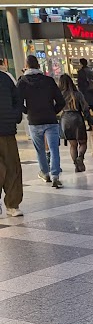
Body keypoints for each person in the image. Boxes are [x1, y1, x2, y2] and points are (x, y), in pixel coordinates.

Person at [16, 54, 65, 188]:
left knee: (40, 150)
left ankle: (45, 173)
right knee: (54, 149)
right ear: (38, 65)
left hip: (34, 120)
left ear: (26, 66)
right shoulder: (49, 81)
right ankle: (55, 175)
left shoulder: (22, 82)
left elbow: (18, 102)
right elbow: (61, 101)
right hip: (50, 119)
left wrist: (27, 111)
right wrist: (53, 111)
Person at [0, 55, 24, 217]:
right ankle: (12, 204)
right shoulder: (7, 78)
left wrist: (14, 116)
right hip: (7, 128)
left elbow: (17, 99)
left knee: (11, 167)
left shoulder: (6, 79)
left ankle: (12, 203)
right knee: (11, 167)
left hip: (6, 129)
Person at [59, 74, 88, 172]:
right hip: (77, 118)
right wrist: (90, 121)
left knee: (73, 145)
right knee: (83, 142)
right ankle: (80, 158)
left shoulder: (60, 95)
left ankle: (76, 165)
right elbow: (85, 108)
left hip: (65, 119)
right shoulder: (77, 94)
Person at [77, 57, 93, 128]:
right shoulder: (91, 71)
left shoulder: (81, 72)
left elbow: (80, 84)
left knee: (85, 110)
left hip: (85, 94)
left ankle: (91, 124)